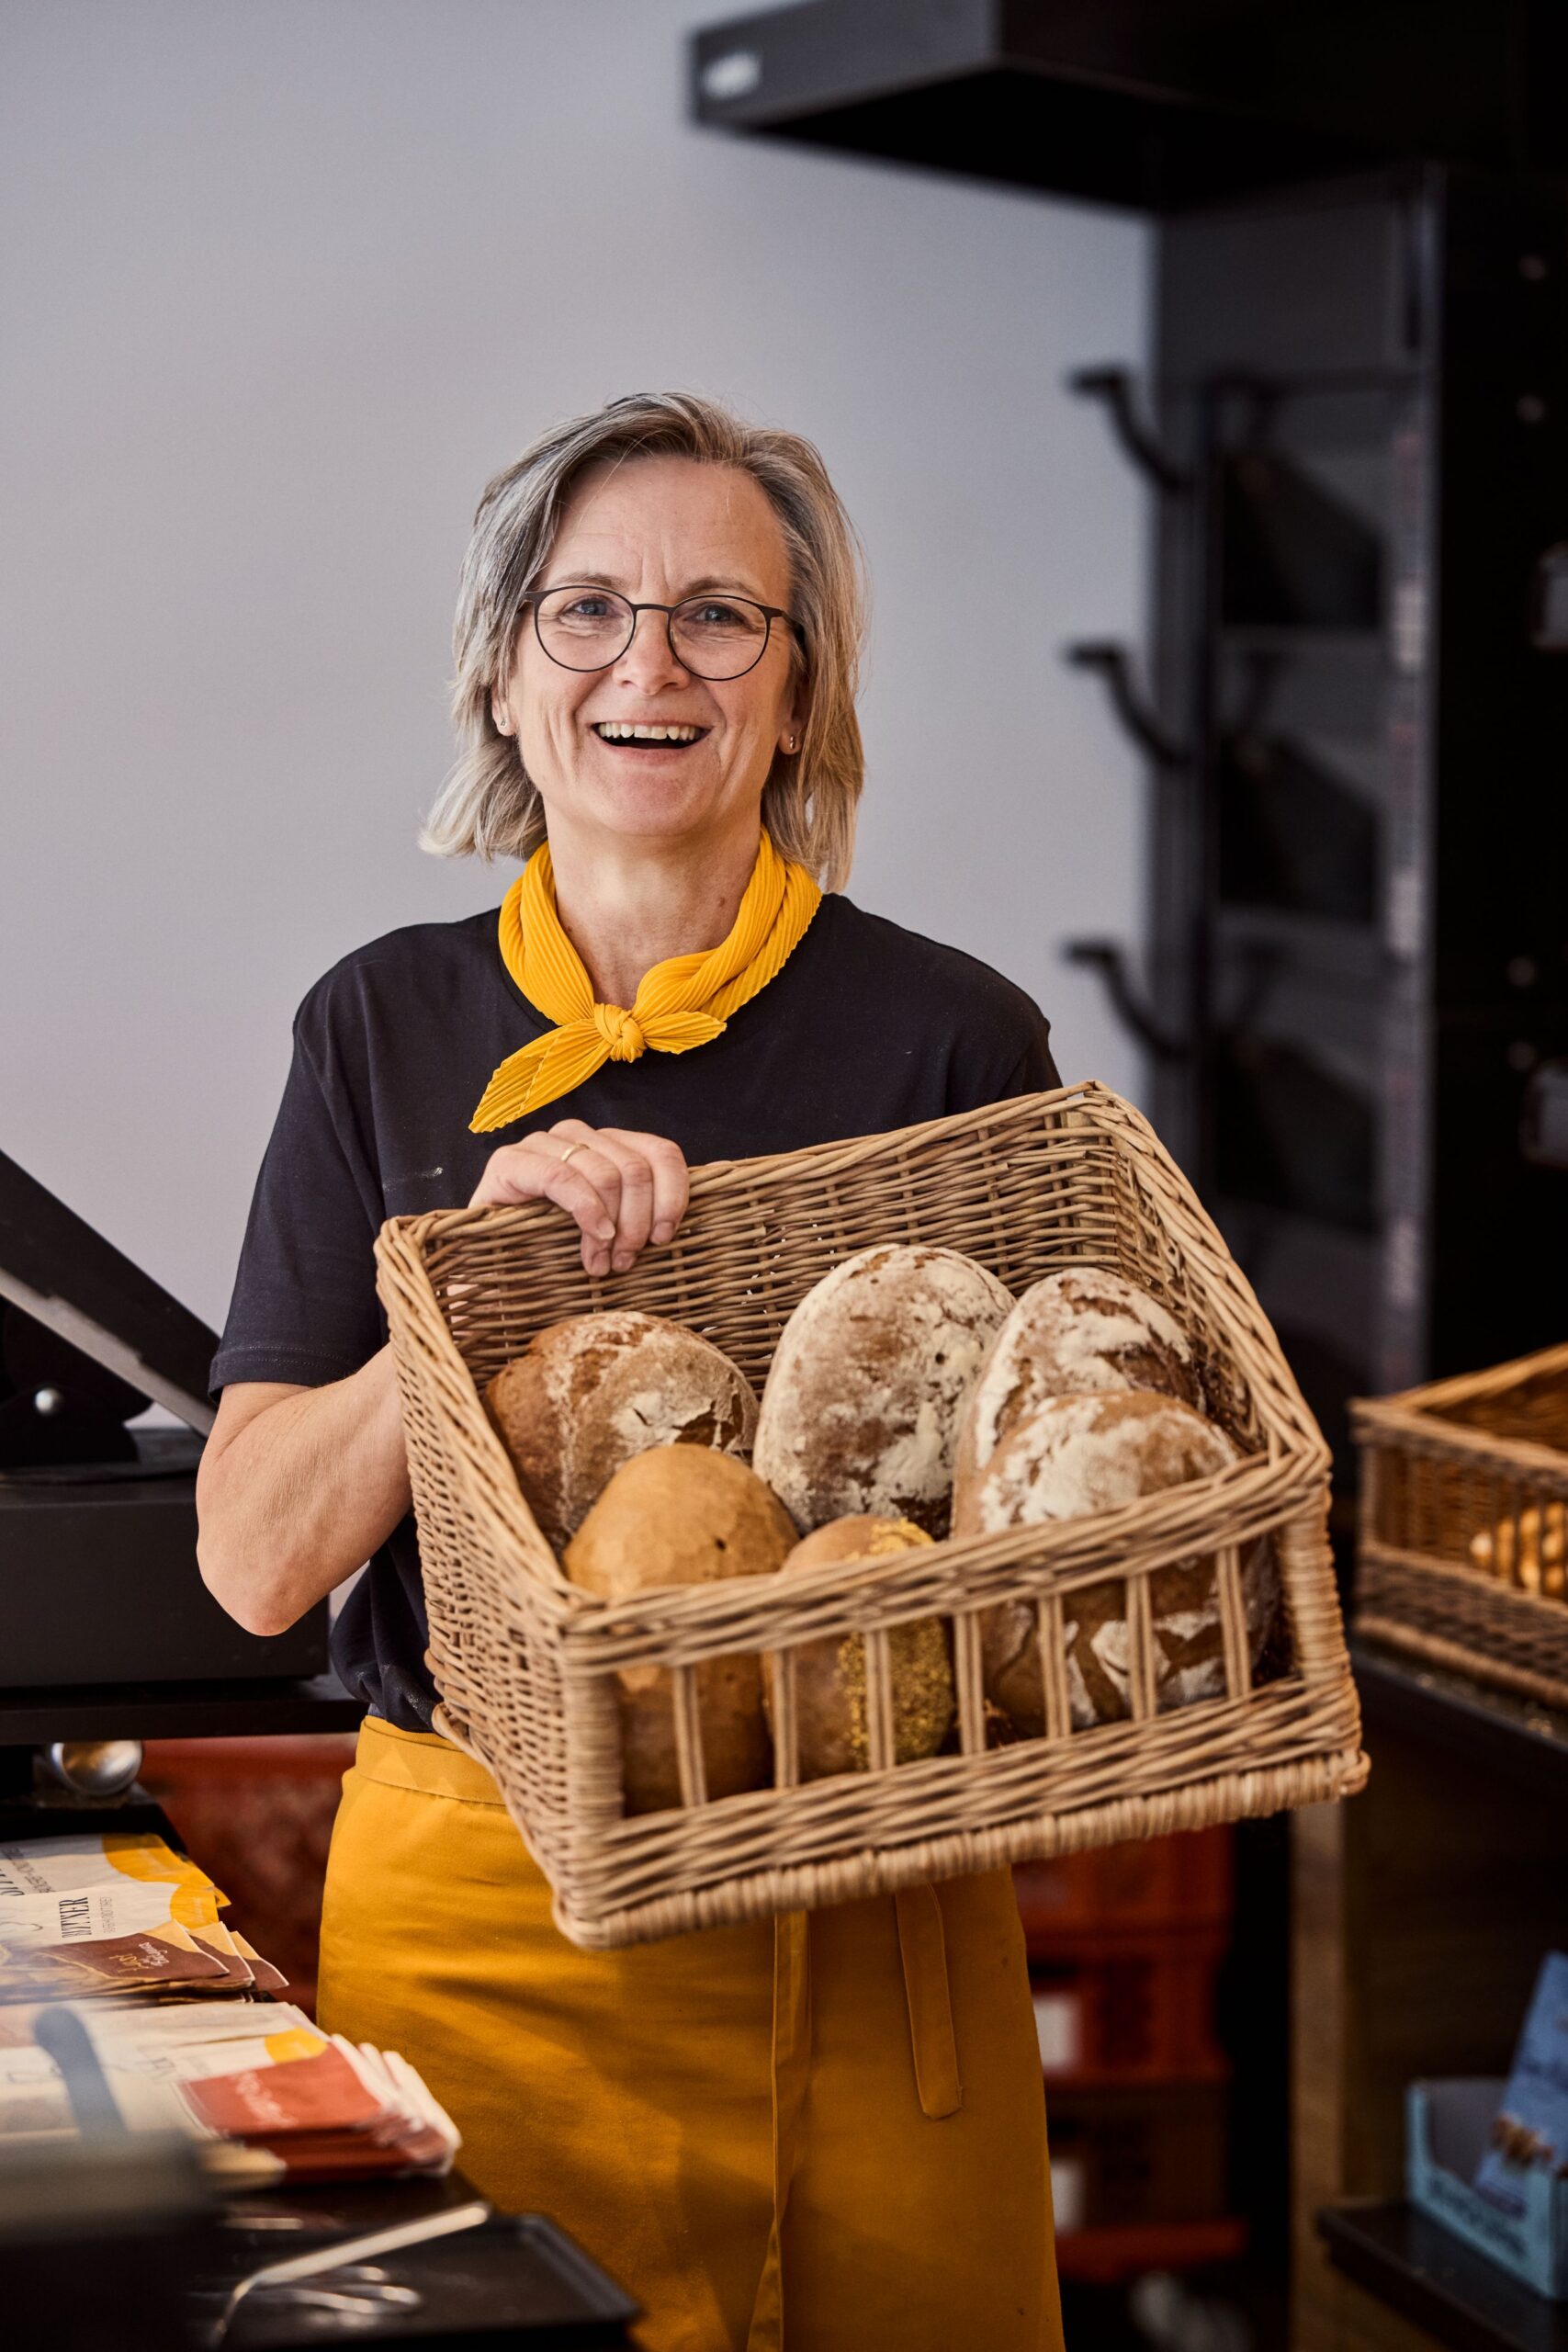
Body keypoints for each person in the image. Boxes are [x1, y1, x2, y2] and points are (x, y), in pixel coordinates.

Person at [197, 390, 1066, 2352]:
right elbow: (252, 1559)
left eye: (715, 617)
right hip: (496, 1919)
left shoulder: (948, 1039)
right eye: (584, 611)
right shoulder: (381, 1028)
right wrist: (474, 1297)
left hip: (870, 1912)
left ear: (796, 689)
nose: (646, 664)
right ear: (503, 679)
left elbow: (1046, 1544)